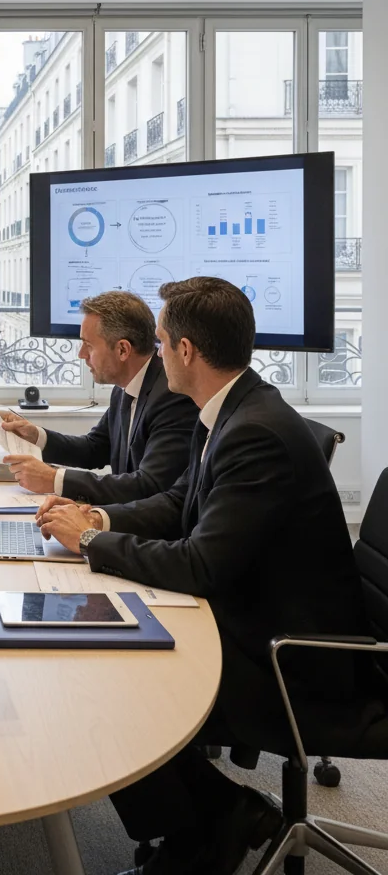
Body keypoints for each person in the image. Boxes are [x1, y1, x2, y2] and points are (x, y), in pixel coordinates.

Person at [35, 277, 369, 875]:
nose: (157, 354)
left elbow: (200, 563)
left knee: (112, 679)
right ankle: (217, 817)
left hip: (292, 656)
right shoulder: (228, 410)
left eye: (160, 342)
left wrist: (90, 540)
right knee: (107, 656)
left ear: (186, 350)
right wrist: (99, 517)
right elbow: (177, 503)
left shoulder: (254, 434)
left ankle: (203, 834)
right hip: (255, 615)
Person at [0, 291, 198, 505]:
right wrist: (36, 436)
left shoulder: (172, 396)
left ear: (123, 349)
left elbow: (148, 485)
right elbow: (95, 448)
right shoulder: (125, 385)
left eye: (89, 345)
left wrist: (54, 479)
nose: (81, 354)